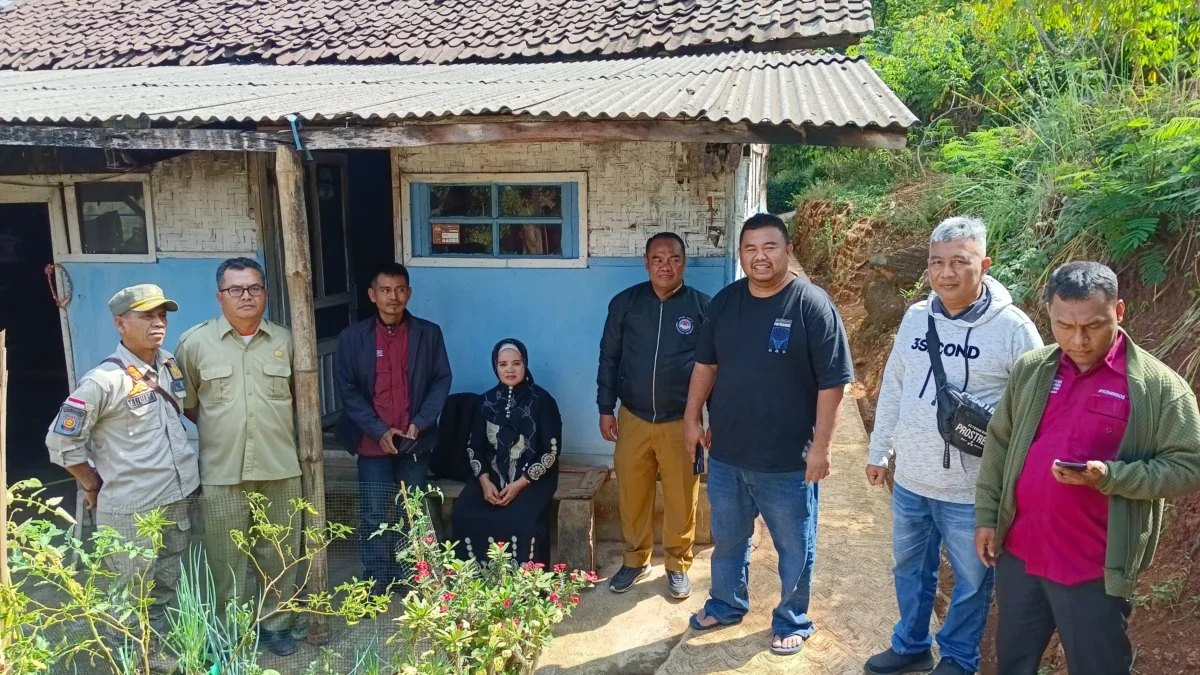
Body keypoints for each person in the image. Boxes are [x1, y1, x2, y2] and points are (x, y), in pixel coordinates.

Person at [975, 262, 1200, 675]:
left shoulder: (1158, 388)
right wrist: (988, 515)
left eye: (1093, 326)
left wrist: (1112, 477)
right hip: (1021, 555)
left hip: (1093, 568)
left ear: (1120, 311)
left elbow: (1190, 465)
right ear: (1049, 315)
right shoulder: (1033, 369)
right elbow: (1000, 443)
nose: (1078, 340)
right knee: (1013, 662)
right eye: (1064, 326)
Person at [864, 217, 1043, 675]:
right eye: (936, 263)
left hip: (972, 492)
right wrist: (879, 449)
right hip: (912, 481)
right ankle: (911, 644)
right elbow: (897, 383)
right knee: (909, 570)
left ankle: (960, 660)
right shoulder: (916, 317)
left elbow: (1035, 409)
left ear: (983, 264)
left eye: (959, 262)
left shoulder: (1014, 329)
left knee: (971, 580)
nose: (946, 273)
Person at [683, 213, 854, 656]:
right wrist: (691, 417)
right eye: (750, 249)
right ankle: (726, 603)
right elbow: (707, 365)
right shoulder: (723, 304)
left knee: (795, 547)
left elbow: (833, 382)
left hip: (788, 462)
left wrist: (822, 447)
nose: (760, 256)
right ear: (740, 254)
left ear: (788, 249)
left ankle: (793, 618)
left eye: (769, 247)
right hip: (727, 455)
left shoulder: (812, 305)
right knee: (728, 539)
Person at [45, 284, 197, 667]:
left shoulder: (169, 364)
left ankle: (156, 653)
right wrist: (91, 483)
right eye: (146, 315)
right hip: (130, 508)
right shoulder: (103, 381)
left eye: (162, 315)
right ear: (120, 323)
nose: (158, 322)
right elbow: (61, 442)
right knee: (129, 594)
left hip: (174, 498)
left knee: (163, 586)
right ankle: (129, 658)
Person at [175, 257, 301, 657]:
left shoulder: (288, 340)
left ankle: (275, 626)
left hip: (280, 467)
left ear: (265, 293)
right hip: (222, 470)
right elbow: (190, 405)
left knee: (280, 551)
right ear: (220, 296)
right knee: (226, 557)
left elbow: (301, 401)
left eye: (254, 288)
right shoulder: (194, 344)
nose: (246, 296)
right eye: (236, 289)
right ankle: (230, 629)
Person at [597, 232, 711, 599]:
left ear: (684, 263)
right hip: (632, 417)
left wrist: (710, 422)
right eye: (658, 258)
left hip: (682, 421)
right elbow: (609, 358)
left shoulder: (702, 308)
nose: (666, 265)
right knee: (632, 493)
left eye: (674, 258)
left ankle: (678, 564)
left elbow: (714, 368)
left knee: (682, 495)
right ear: (645, 263)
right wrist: (604, 408)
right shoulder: (625, 304)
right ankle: (634, 560)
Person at [334, 262, 452, 593]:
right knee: (373, 513)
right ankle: (377, 578)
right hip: (373, 444)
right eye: (385, 290)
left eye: (400, 289)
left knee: (413, 510)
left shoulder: (428, 334)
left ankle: (413, 576)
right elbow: (348, 390)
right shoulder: (353, 338)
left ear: (409, 293)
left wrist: (421, 423)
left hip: (415, 440)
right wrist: (377, 430)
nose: (393, 297)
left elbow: (441, 380)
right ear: (372, 295)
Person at [453, 339, 562, 565]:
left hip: (533, 476)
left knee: (522, 520)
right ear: (496, 367)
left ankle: (523, 588)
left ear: (525, 364)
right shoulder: (485, 402)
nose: (510, 369)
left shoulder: (542, 401)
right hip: (491, 475)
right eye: (503, 364)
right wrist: (484, 482)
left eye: (516, 363)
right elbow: (474, 447)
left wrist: (520, 483)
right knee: (464, 513)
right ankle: (476, 584)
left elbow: (550, 452)